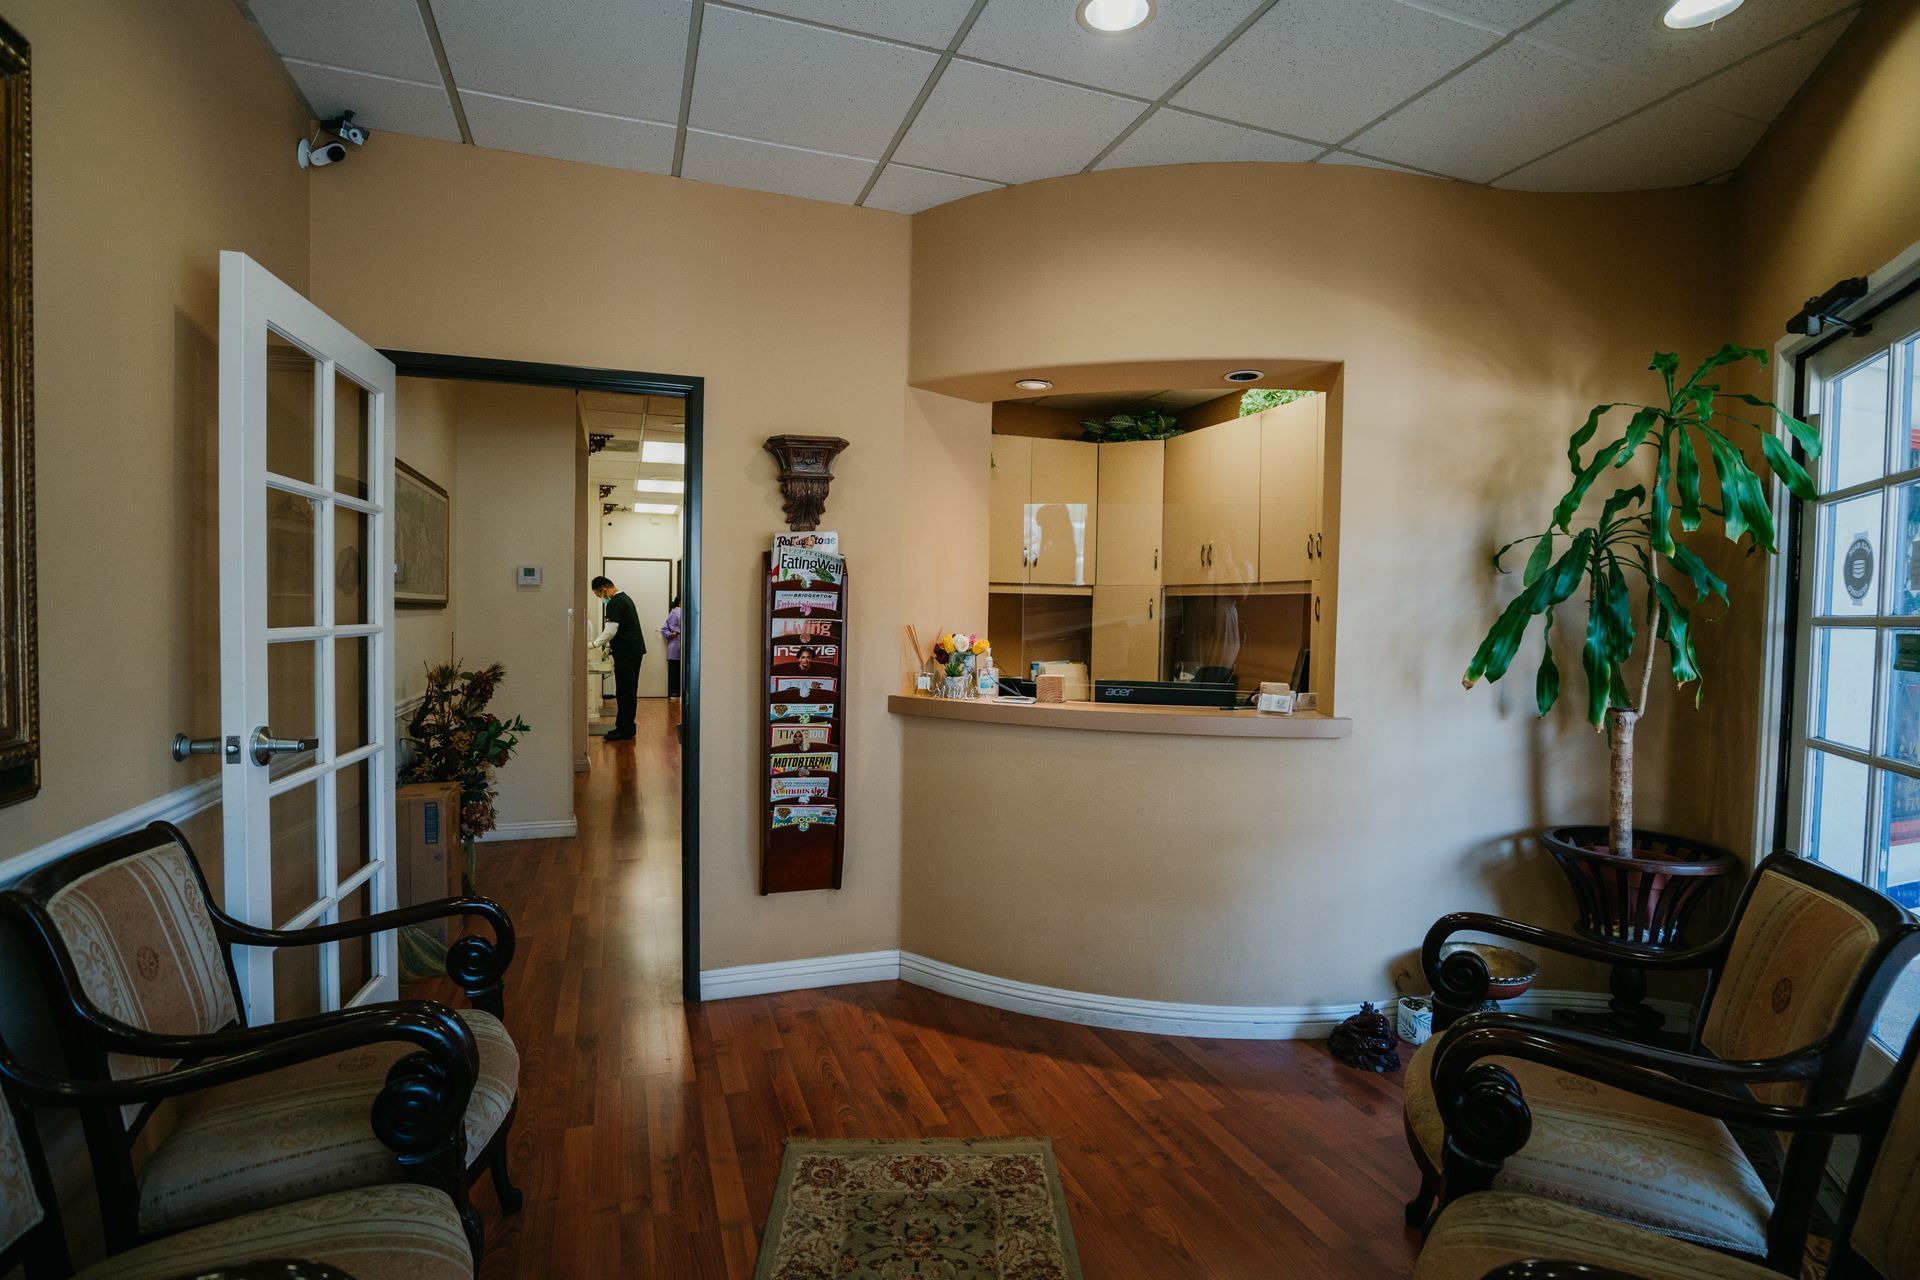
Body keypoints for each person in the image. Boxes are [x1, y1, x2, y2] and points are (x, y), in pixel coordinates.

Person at [590, 575, 645, 740]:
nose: (601, 599)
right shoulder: (626, 599)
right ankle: (627, 727)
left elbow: (611, 630)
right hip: (634, 652)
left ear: (604, 590)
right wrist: (608, 647)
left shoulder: (614, 603)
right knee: (629, 691)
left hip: (626, 654)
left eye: (599, 596)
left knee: (624, 692)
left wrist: (594, 644)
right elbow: (622, 628)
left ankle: (624, 730)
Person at [660, 595, 683, 701]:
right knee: (675, 671)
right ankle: (674, 693)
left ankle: (676, 693)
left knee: (677, 671)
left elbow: (664, 629)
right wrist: (672, 634)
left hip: (680, 647)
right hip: (675, 646)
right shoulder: (675, 612)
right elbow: (664, 629)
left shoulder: (678, 612)